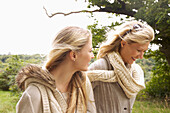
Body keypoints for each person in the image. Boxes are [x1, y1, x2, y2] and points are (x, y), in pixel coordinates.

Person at [15, 26, 96, 113]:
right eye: (90, 51)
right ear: (73, 55)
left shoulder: (83, 83)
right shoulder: (33, 95)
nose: (92, 56)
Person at [88, 20, 155, 113]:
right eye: (139, 50)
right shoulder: (99, 67)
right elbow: (80, 103)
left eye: (144, 51)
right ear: (123, 43)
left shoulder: (136, 72)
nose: (141, 56)